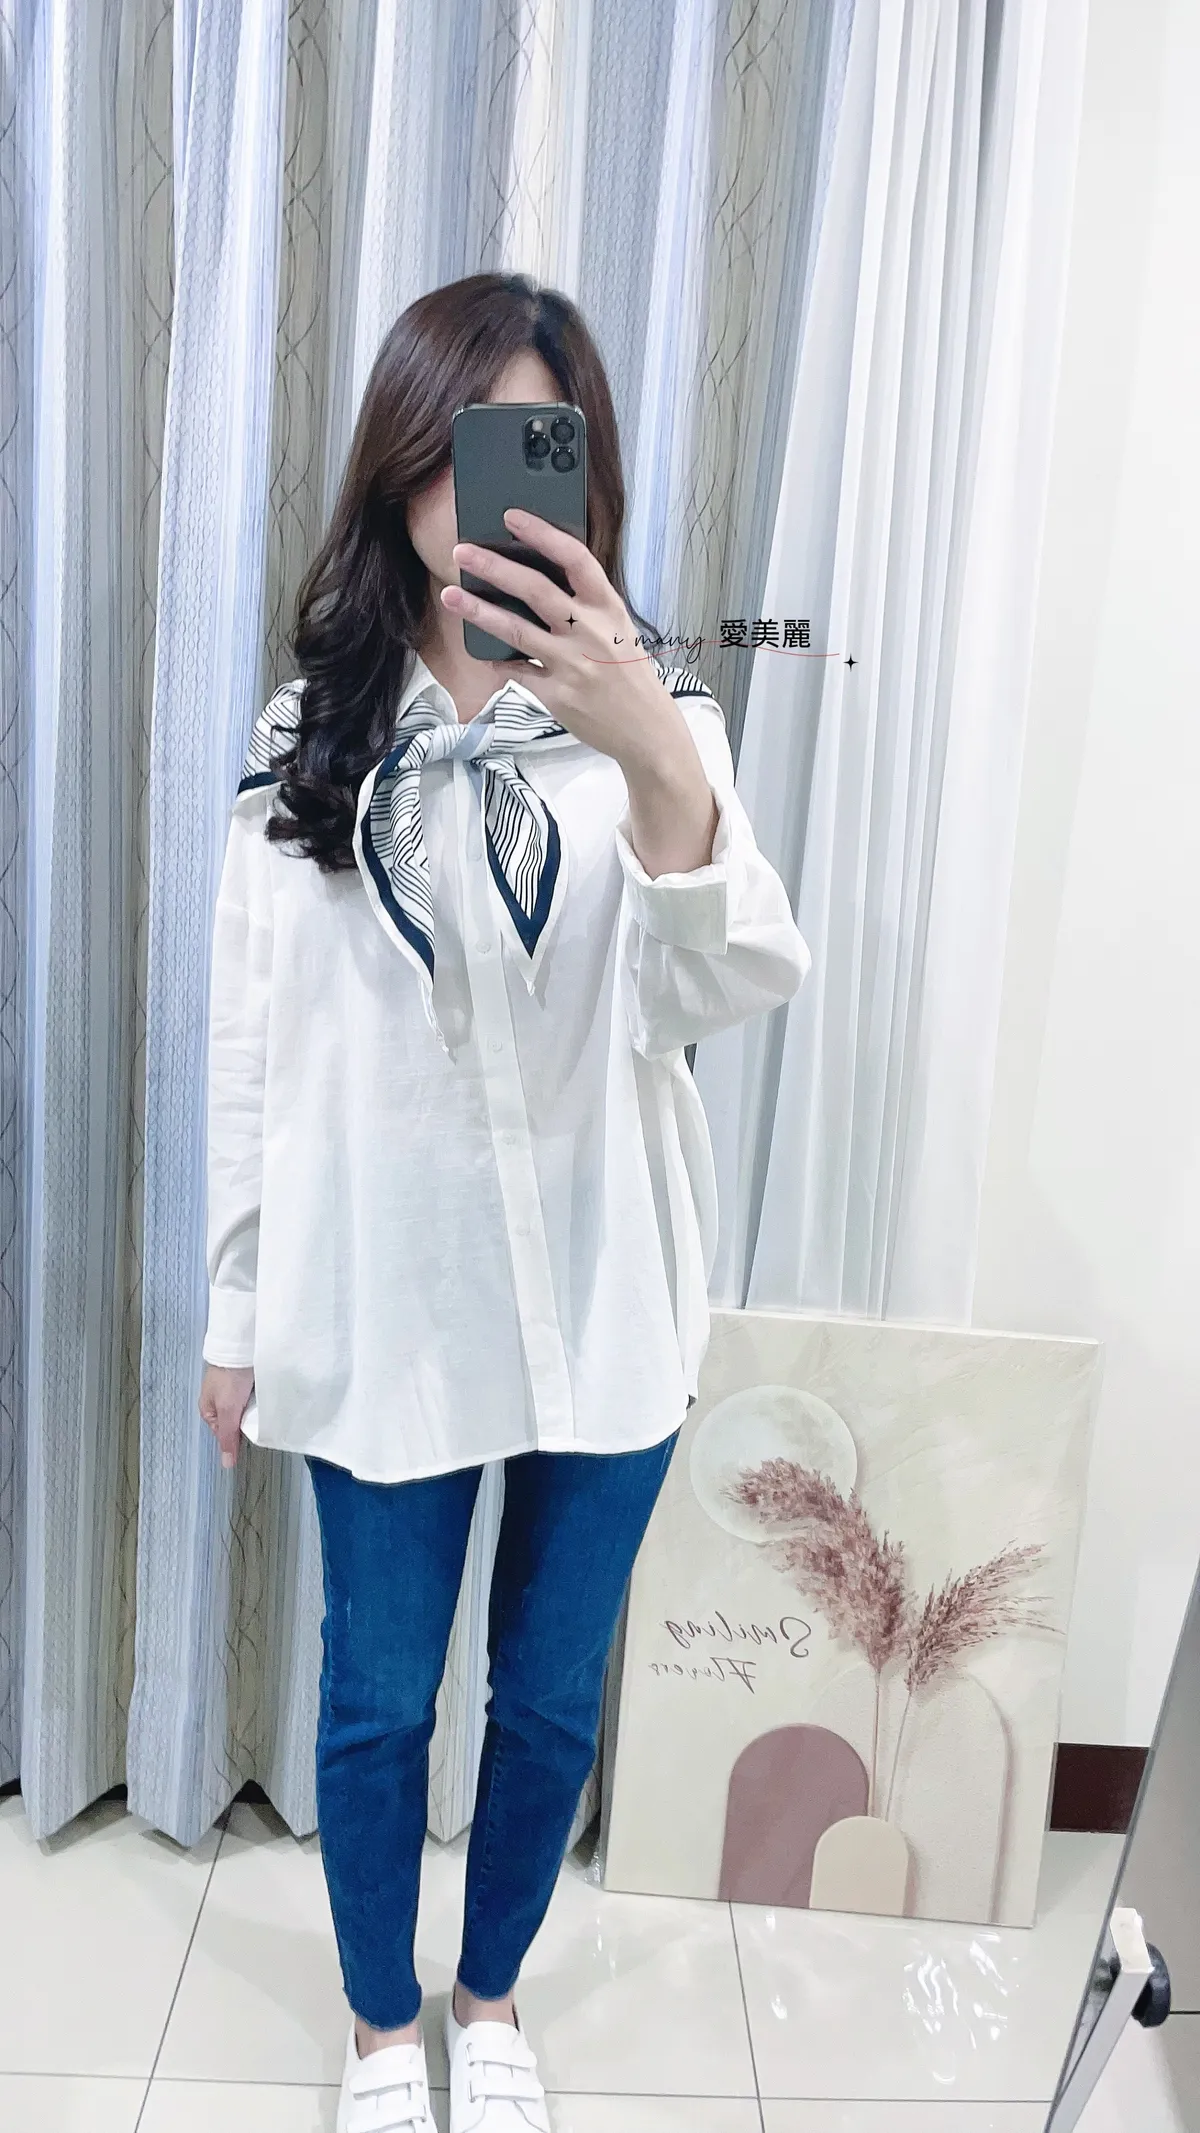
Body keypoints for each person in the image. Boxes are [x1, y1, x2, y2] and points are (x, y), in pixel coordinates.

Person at [197, 270, 811, 2133]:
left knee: (545, 1700)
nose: (479, 497)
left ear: (581, 470)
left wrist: (649, 747)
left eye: (525, 448)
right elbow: (254, 1050)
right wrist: (234, 1314)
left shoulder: (662, 709)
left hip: (608, 1303)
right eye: (451, 451)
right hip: (383, 1303)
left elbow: (725, 986)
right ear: (398, 468)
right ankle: (382, 2030)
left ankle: (492, 1998)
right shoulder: (313, 731)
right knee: (381, 1699)